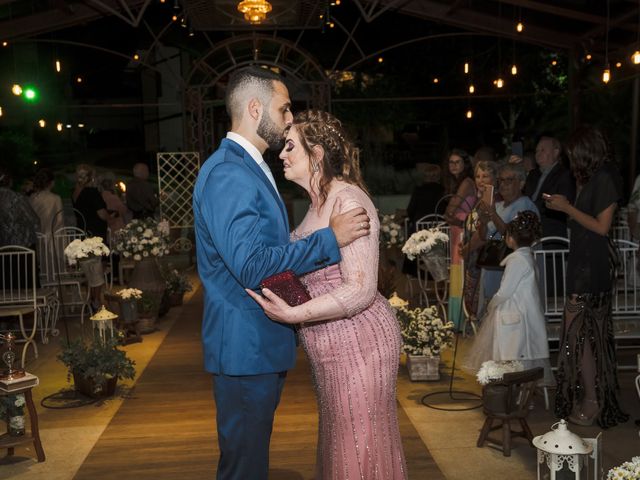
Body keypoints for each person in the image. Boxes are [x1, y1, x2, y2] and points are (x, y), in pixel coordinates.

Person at [192, 67, 370, 480]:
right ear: (255, 109)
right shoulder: (229, 173)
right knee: (244, 467)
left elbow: (265, 252)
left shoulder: (246, 167)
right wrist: (331, 239)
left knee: (250, 461)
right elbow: (252, 265)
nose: (291, 118)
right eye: (284, 108)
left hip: (256, 345)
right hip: (245, 348)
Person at [246, 110, 407, 479]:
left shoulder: (348, 201)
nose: (281, 154)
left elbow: (361, 289)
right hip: (328, 342)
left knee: (359, 443)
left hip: (361, 341)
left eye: (290, 146)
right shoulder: (316, 204)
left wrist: (293, 316)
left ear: (316, 154)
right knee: (342, 442)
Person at [545, 126, 629, 429]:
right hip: (580, 260)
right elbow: (583, 220)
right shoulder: (589, 177)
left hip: (593, 267)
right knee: (578, 338)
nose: (570, 160)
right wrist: (563, 206)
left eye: (573, 154)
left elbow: (602, 227)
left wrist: (567, 207)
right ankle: (590, 397)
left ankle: (594, 401)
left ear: (586, 151)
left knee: (583, 338)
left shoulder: (605, 177)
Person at [462, 211, 554, 385]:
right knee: (520, 355)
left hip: (516, 317)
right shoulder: (528, 257)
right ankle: (522, 392)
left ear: (510, 239)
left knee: (514, 356)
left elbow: (505, 291)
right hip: (522, 314)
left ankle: (517, 393)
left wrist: (492, 304)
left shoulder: (517, 260)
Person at [474, 163, 539, 317]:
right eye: (500, 180)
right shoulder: (498, 205)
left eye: (508, 180)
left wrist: (493, 215)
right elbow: (485, 236)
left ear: (521, 183)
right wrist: (483, 220)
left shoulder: (526, 205)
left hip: (514, 270)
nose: (503, 185)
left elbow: (514, 237)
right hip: (493, 266)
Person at [442, 149, 476, 329]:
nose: (453, 166)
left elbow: (450, 209)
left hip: (463, 231)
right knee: (457, 273)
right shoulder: (457, 183)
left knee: (461, 274)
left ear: (465, 165)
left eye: (457, 162)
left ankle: (462, 320)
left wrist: (451, 216)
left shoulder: (466, 182)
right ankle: (458, 319)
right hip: (458, 229)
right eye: (451, 162)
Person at [460, 160, 498, 320]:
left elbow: (485, 232)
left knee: (480, 302)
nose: (480, 180)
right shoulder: (478, 200)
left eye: (485, 176)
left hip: (483, 257)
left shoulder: (493, 200)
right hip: (473, 257)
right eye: (477, 176)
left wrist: (467, 248)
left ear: (494, 179)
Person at [524, 135, 575, 238]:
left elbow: (562, 205)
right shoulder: (533, 175)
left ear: (556, 152)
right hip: (530, 229)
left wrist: (533, 209)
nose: (538, 154)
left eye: (542, 150)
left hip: (550, 231)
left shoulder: (564, 175)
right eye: (537, 151)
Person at [72, 164, 108, 239]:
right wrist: (110, 217)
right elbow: (102, 215)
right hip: (94, 234)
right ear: (91, 178)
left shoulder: (75, 192)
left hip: (81, 230)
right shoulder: (92, 192)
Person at [29, 168, 64, 237]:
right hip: (53, 237)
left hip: (37, 236)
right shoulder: (56, 198)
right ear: (51, 182)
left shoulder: (32, 197)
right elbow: (60, 220)